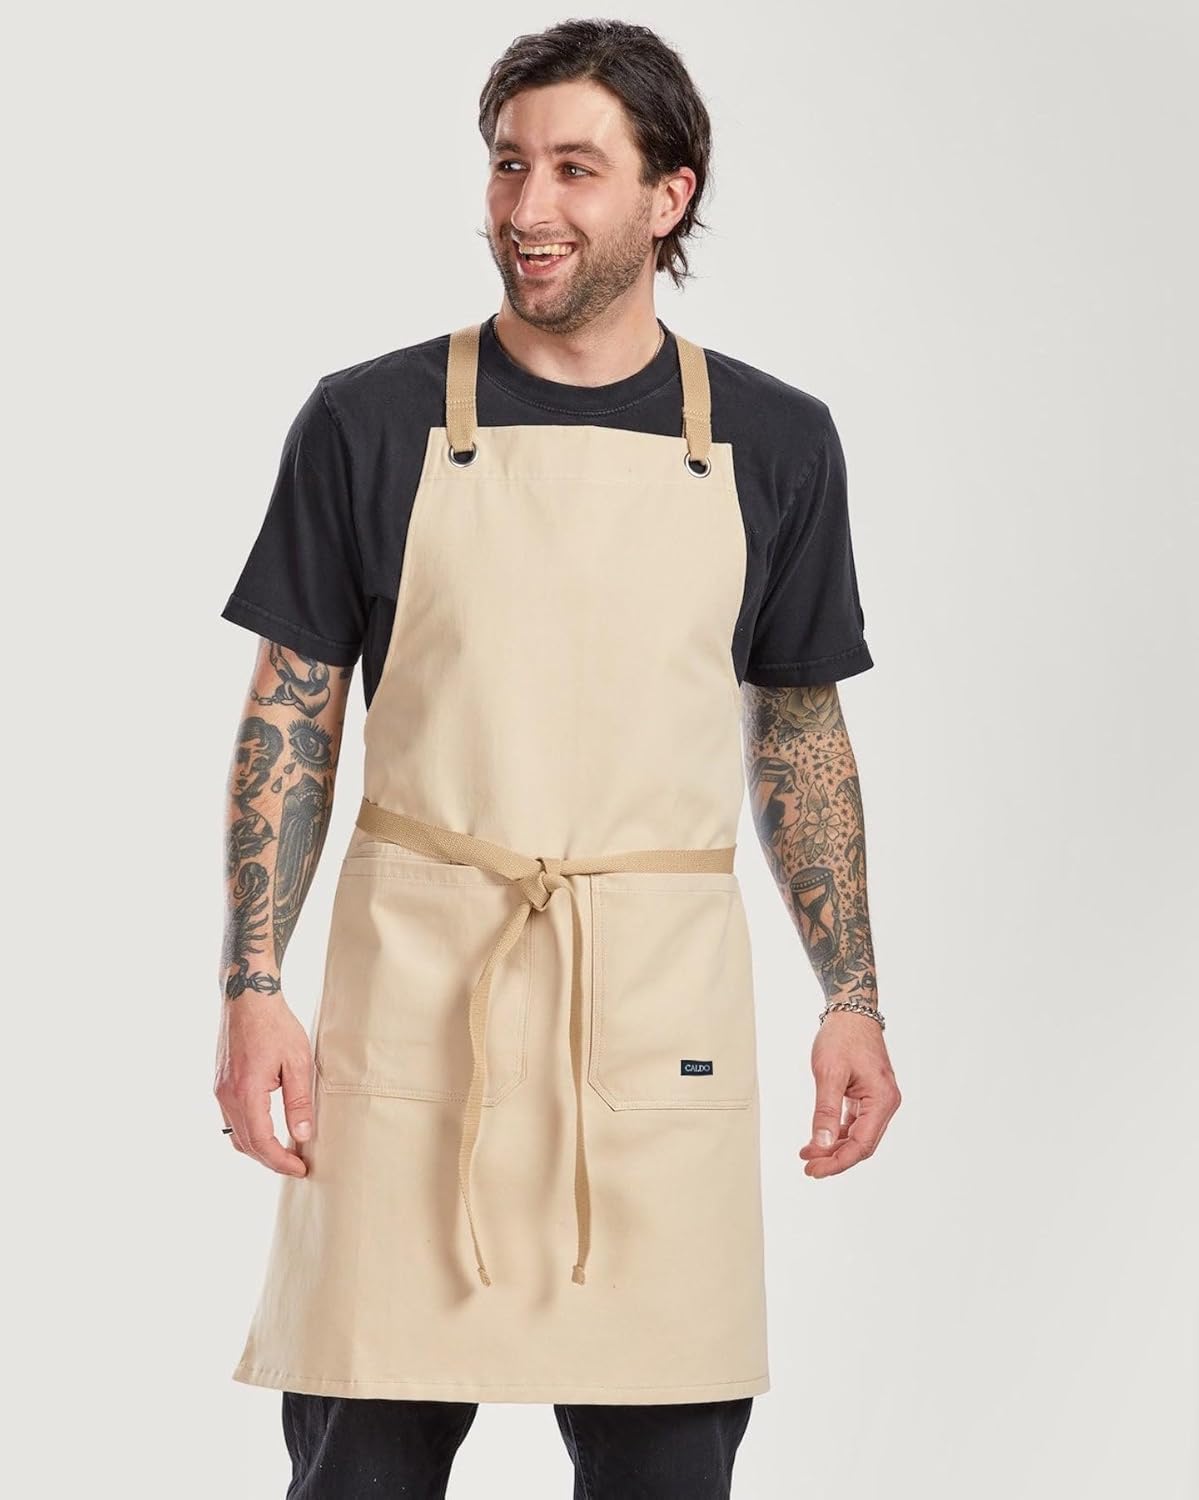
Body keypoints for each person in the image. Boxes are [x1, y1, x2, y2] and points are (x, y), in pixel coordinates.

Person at [214, 17, 902, 1499]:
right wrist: (251, 984)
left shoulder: (778, 442)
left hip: (654, 1016)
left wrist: (852, 997)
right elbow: (292, 713)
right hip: (415, 1008)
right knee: (360, 1466)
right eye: (508, 164)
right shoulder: (368, 420)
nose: (528, 207)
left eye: (576, 169)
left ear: (669, 195)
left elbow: (799, 731)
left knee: (668, 1469)